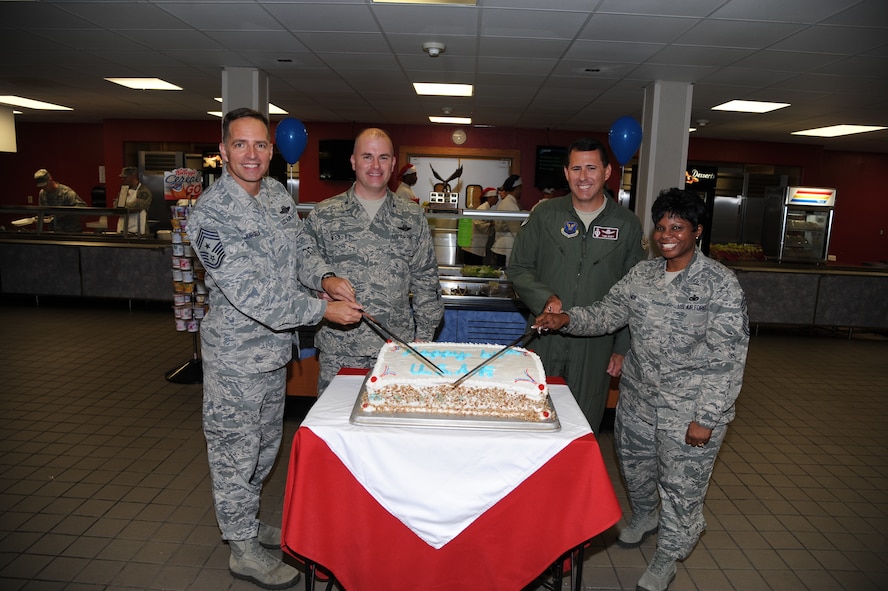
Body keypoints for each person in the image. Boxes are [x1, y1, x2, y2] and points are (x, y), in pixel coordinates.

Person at [532, 188, 749, 591]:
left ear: (697, 231)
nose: (666, 235)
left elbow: (728, 359)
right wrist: (567, 320)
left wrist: (706, 418)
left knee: (681, 489)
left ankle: (668, 555)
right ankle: (646, 516)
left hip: (688, 409)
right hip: (637, 400)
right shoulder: (643, 275)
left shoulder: (719, 284)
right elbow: (608, 313)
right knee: (635, 470)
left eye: (678, 227)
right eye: (661, 226)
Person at [186, 107, 363, 590]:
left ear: (271, 150)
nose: (251, 154)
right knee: (234, 453)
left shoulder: (277, 197)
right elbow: (250, 294)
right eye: (240, 144)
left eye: (260, 145)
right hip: (236, 361)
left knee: (265, 450)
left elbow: (302, 250)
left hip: (273, 356)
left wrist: (324, 277)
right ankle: (241, 547)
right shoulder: (209, 216)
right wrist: (321, 309)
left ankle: (246, 525)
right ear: (222, 152)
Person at [507, 137, 646, 432]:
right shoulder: (544, 215)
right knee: (533, 420)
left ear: (607, 172)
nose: (584, 177)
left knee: (582, 426)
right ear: (566, 173)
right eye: (576, 168)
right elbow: (518, 267)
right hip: (543, 337)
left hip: (596, 345)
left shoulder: (627, 225)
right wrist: (545, 297)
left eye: (592, 168)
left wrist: (622, 347)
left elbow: (636, 292)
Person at [304, 127, 444, 394]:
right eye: (367, 156)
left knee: (392, 429)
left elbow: (427, 282)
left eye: (383, 157)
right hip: (339, 351)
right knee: (338, 427)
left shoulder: (412, 216)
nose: (375, 165)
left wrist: (422, 342)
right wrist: (318, 291)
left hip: (395, 350)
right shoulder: (324, 215)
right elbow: (302, 270)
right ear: (354, 161)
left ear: (392, 164)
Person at [33, 169, 86, 233]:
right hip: (54, 230)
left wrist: (64, 213)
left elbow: (82, 206)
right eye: (41, 186)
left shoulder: (66, 192)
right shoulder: (42, 193)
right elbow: (42, 211)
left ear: (50, 180)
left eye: (45, 185)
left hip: (71, 231)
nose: (44, 188)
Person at [460, 186, 498, 265]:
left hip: (477, 246)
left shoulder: (486, 208)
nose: (497, 199)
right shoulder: (483, 208)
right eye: (496, 197)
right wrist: (491, 224)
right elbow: (478, 224)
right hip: (473, 247)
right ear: (489, 197)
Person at [490, 174, 523, 266]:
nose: (522, 191)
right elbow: (515, 231)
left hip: (501, 247)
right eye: (521, 188)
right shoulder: (510, 204)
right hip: (505, 248)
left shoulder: (505, 202)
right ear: (517, 188)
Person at [115, 166, 152, 235]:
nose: (123, 179)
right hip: (122, 230)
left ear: (133, 176)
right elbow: (116, 206)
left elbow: (139, 206)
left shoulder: (143, 191)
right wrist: (127, 205)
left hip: (139, 231)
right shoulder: (124, 190)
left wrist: (123, 206)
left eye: (125, 177)